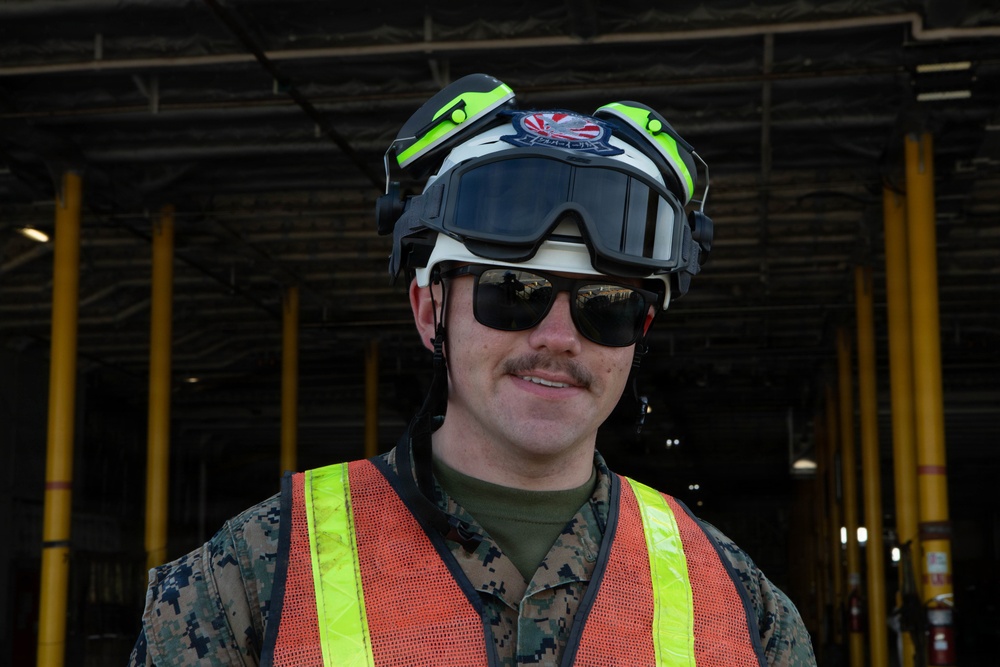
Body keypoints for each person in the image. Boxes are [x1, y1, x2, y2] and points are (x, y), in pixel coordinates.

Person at [129, 74, 816, 667]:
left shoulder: (740, 606)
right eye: (511, 293)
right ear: (430, 311)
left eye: (604, 307)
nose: (557, 338)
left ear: (639, 334)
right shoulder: (247, 582)